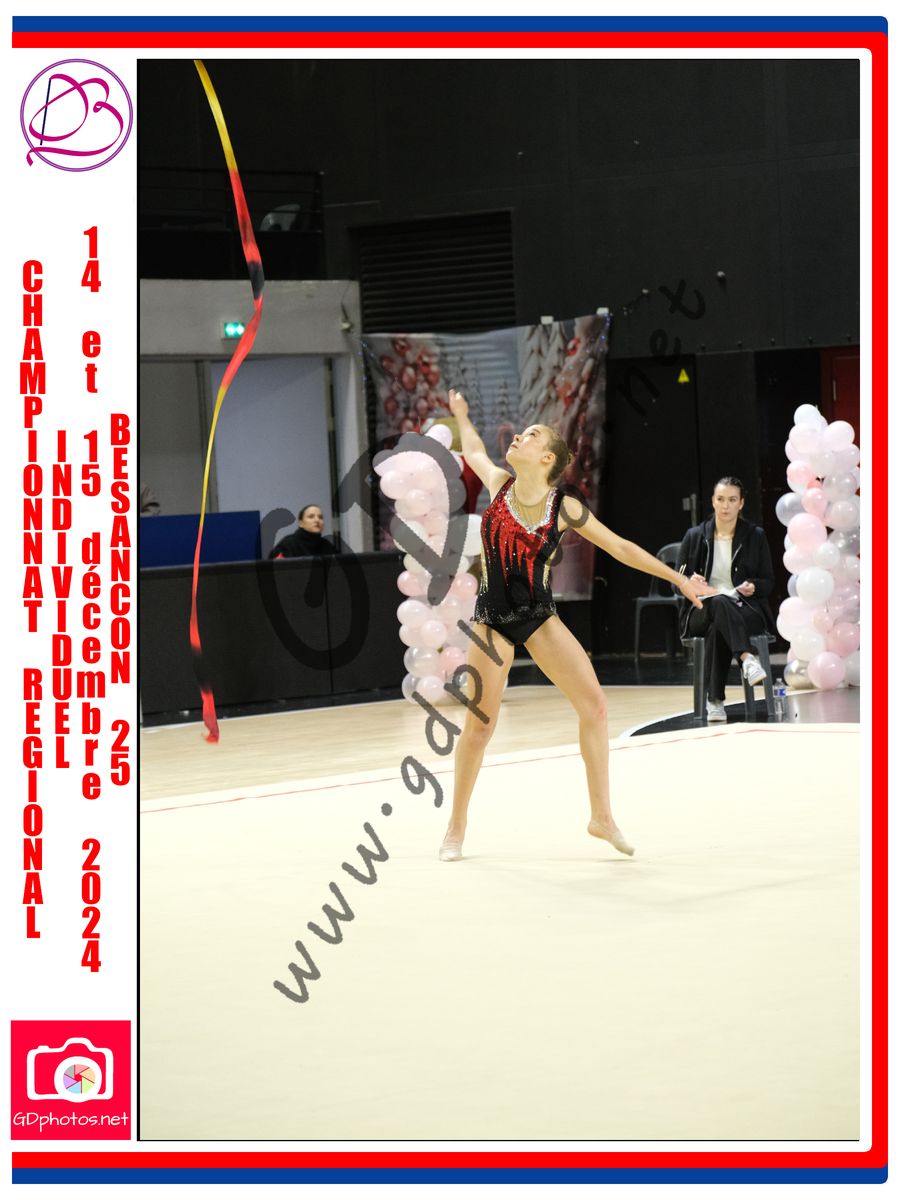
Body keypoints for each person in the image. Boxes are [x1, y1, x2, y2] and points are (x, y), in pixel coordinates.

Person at [438, 388, 709, 863]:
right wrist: (461, 415)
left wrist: (679, 579)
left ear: (547, 458)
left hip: (539, 617)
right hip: (492, 620)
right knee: (480, 727)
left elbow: (620, 547)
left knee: (595, 706)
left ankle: (601, 817)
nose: (518, 436)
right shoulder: (498, 483)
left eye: (531, 435)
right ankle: (456, 826)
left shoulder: (564, 508)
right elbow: (475, 449)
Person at [676, 477, 776, 723]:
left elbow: (768, 581)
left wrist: (754, 586)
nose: (725, 505)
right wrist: (690, 581)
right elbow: (676, 581)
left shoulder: (755, 536)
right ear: (713, 501)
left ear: (741, 503)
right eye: (720, 499)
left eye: (732, 500)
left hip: (744, 608)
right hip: (701, 608)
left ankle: (715, 701)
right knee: (718, 603)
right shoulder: (695, 536)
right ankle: (747, 658)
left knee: (717, 626)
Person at [268, 505, 337, 558]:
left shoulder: (327, 546)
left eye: (320, 517)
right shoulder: (288, 544)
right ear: (300, 523)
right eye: (311, 516)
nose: (317, 520)